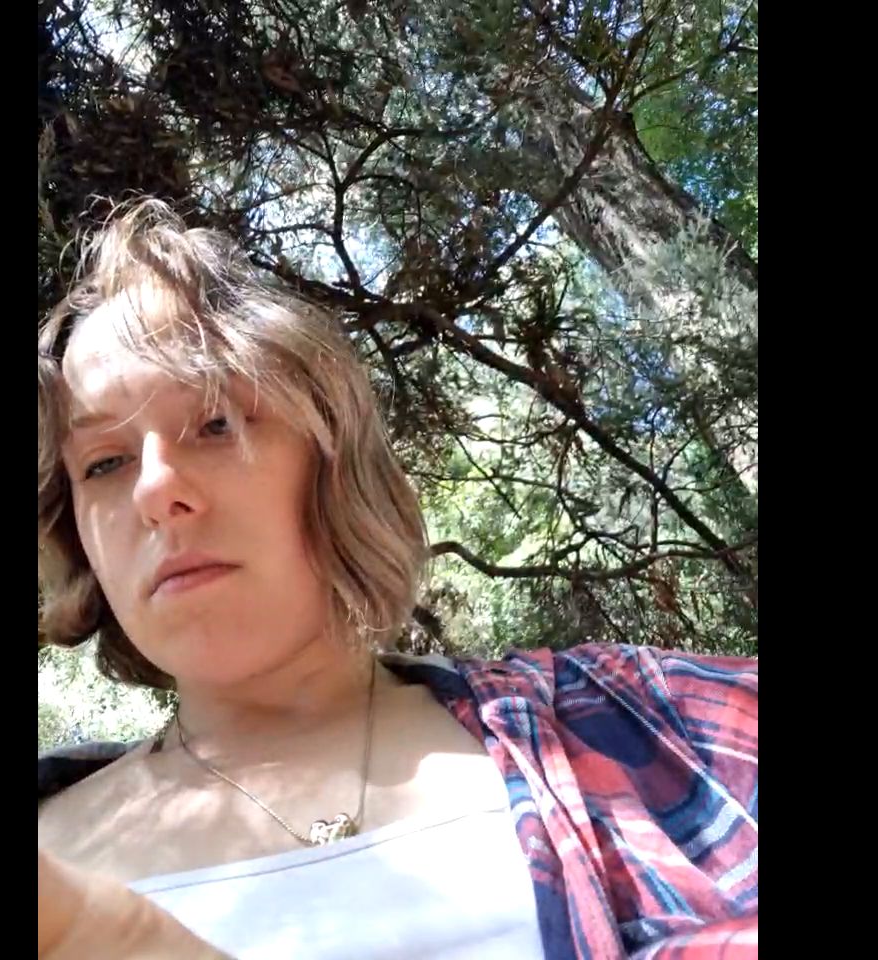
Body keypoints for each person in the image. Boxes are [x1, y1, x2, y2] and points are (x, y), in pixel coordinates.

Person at [37, 200, 758, 959]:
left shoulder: (646, 722)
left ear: (333, 459)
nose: (155, 489)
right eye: (104, 463)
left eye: (217, 423)